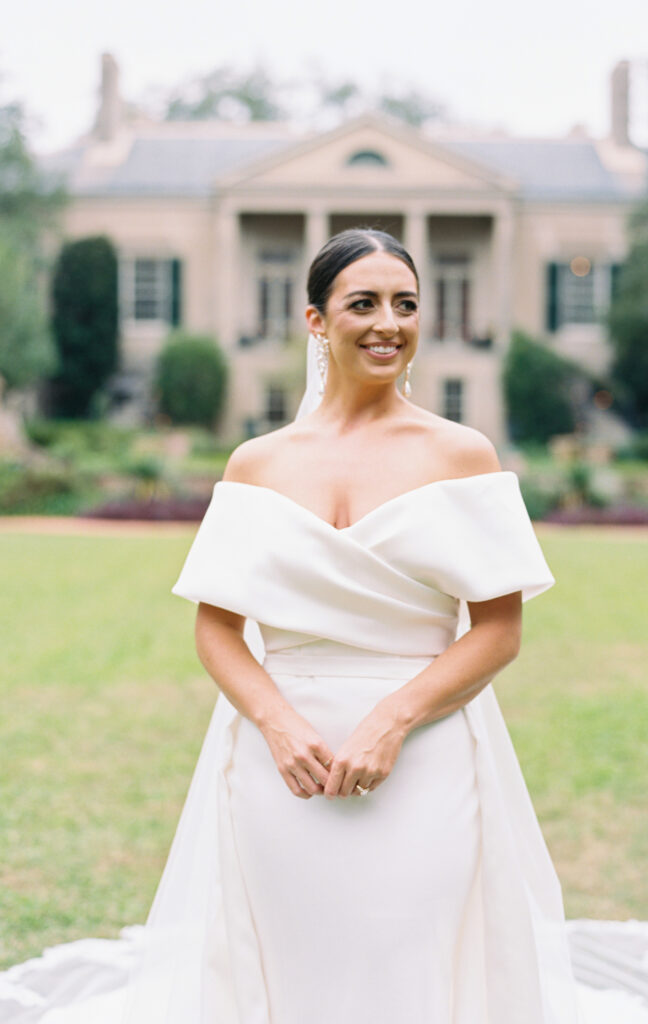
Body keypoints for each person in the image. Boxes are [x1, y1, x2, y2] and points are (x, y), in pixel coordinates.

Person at [125, 226, 581, 1024]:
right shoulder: (257, 463)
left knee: (408, 950)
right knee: (293, 955)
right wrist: (275, 724)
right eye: (362, 303)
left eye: (406, 305)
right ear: (314, 320)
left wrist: (392, 718)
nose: (388, 323)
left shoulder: (463, 453)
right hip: (281, 762)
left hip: (428, 752)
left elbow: (498, 632)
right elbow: (218, 630)